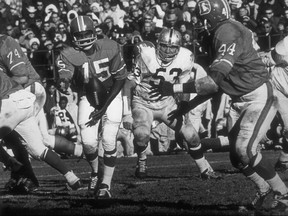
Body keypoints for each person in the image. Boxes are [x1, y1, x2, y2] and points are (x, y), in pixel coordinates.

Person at [149, 0, 288, 212]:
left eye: (203, 20)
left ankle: (284, 194)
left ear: (212, 17)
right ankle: (263, 190)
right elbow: (217, 85)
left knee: (246, 149)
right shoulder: (220, 33)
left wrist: (173, 88)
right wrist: (188, 106)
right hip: (239, 98)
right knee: (236, 157)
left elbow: (211, 82)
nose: (200, 24)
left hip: (259, 96)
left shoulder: (226, 32)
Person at [123, 28, 221, 180]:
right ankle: (142, 160)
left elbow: (183, 83)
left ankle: (205, 170)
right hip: (143, 102)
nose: (168, 51)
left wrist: (183, 103)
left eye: (173, 47)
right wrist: (126, 113)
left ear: (179, 47)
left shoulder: (185, 57)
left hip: (166, 103)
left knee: (191, 135)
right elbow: (129, 84)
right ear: (157, 45)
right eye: (164, 46)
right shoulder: (145, 54)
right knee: (142, 135)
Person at [55, 15, 128, 199]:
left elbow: (120, 78)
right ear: (72, 37)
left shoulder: (110, 46)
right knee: (88, 142)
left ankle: (106, 184)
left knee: (109, 139)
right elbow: (65, 75)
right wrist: (63, 83)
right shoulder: (69, 53)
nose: (84, 39)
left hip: (112, 93)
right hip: (87, 96)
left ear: (94, 33)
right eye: (79, 35)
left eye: (87, 34)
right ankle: (96, 172)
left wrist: (104, 107)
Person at [0, 34, 83, 191]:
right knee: (38, 147)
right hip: (23, 100)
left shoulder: (4, 42)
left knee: (27, 140)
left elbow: (23, 76)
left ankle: (14, 166)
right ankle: (72, 177)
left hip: (15, 99)